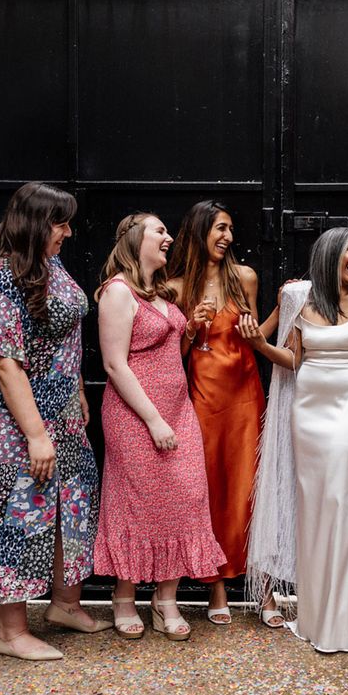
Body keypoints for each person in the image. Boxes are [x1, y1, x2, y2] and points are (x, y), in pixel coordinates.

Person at [0, 182, 109, 662]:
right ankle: (11, 631)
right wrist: (36, 434)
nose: (68, 231)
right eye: (60, 222)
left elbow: (62, 335)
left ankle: (64, 604)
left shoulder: (51, 264)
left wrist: (77, 389)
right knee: (14, 509)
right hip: (5, 419)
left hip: (58, 411)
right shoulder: (3, 278)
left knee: (71, 502)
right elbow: (4, 364)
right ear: (37, 224)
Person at [240, 227, 348, 652]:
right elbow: (293, 358)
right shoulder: (298, 297)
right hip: (308, 413)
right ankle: (315, 616)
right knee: (313, 506)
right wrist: (259, 344)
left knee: (342, 500)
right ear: (330, 252)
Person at [93, 212, 226, 642]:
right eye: (160, 231)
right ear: (135, 239)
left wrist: (194, 328)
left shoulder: (159, 294)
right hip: (136, 416)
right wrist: (152, 419)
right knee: (136, 501)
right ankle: (124, 597)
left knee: (186, 496)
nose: (169, 238)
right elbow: (114, 364)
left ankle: (166, 599)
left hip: (178, 412)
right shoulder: (118, 292)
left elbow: (173, 350)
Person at [166, 200, 282, 627]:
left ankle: (264, 590)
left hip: (247, 397)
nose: (228, 237)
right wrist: (192, 327)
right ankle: (217, 587)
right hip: (204, 400)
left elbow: (258, 339)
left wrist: (276, 311)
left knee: (252, 490)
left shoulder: (244, 278)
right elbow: (173, 356)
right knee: (212, 489)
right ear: (199, 231)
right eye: (219, 228)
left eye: (230, 229)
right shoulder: (177, 288)